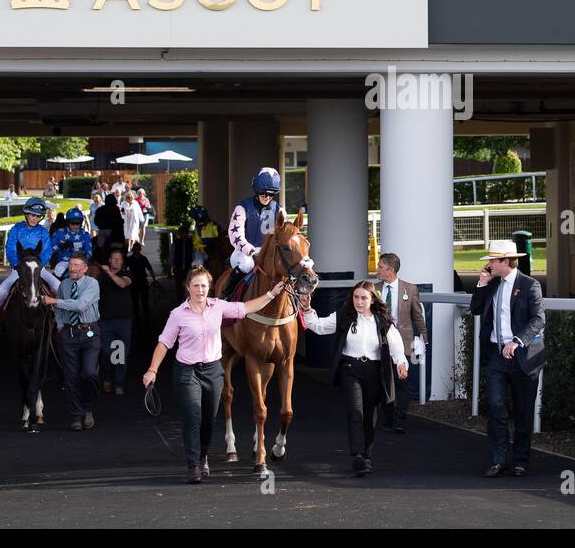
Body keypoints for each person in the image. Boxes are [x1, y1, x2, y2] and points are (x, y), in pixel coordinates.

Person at [144, 268, 289, 483]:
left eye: (203, 286)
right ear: (188, 288)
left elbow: (246, 308)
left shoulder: (218, 307)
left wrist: (272, 294)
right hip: (187, 371)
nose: (200, 290)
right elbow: (164, 343)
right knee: (193, 417)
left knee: (209, 421)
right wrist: (152, 370)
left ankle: (203, 456)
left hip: (212, 370)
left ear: (209, 288)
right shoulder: (178, 314)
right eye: (196, 286)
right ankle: (193, 466)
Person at [300, 281, 407, 476]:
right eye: (356, 297)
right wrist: (307, 308)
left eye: (364, 298)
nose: (359, 301)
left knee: (370, 415)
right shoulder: (344, 316)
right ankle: (357, 454)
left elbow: (396, 344)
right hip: (350, 369)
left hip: (374, 370)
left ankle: (367, 456)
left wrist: (401, 363)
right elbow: (317, 326)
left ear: (372, 299)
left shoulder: (382, 320)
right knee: (355, 411)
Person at [469, 240, 545, 478]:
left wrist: (517, 341)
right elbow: (476, 309)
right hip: (496, 357)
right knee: (495, 406)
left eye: (493, 260)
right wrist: (481, 284)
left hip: (524, 357)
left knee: (523, 412)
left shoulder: (530, 285)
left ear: (505, 261)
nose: (489, 264)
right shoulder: (492, 285)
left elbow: (538, 319)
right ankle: (498, 460)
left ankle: (521, 460)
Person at [43, 252, 101, 431]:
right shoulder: (64, 285)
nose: (73, 268)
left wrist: (54, 300)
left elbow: (80, 305)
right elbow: (58, 310)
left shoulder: (92, 283)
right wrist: (60, 325)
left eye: (76, 265)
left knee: (90, 373)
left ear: (85, 268)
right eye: (71, 265)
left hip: (90, 332)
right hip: (69, 334)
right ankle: (76, 415)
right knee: (71, 377)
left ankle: (88, 408)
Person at [0, 196, 62, 335]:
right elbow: (10, 248)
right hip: (19, 269)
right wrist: (17, 265)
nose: (34, 218)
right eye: (32, 215)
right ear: (26, 213)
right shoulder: (16, 229)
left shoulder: (43, 232)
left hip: (38, 268)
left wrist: (38, 266)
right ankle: (0, 321)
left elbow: (47, 250)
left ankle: (60, 321)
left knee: (58, 287)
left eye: (38, 216)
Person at [376, 252, 427, 433]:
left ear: (390, 270)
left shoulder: (409, 289)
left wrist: (422, 338)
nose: (378, 270)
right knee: (383, 379)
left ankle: (400, 419)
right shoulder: (374, 289)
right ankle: (388, 417)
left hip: (404, 340)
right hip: (380, 341)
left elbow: (417, 316)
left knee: (402, 380)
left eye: (381, 267)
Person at [218, 167, 286, 300]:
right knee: (247, 265)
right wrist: (251, 251)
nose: (267, 197)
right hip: (244, 253)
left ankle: (298, 304)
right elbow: (235, 235)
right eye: (263, 193)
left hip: (268, 254)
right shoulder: (242, 207)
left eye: (271, 194)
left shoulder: (279, 210)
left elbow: (286, 234)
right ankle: (226, 295)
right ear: (256, 190)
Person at [98, 248, 134, 395]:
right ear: (109, 260)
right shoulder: (101, 277)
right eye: (114, 259)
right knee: (107, 353)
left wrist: (110, 273)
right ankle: (107, 378)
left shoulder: (127, 274)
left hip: (123, 321)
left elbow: (122, 284)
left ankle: (118, 383)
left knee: (121, 354)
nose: (117, 261)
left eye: (119, 259)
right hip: (106, 321)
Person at [51, 207, 93, 279]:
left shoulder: (85, 235)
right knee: (59, 271)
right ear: (67, 222)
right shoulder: (59, 233)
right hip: (63, 263)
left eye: (78, 223)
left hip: (80, 263)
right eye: (72, 223)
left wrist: (82, 254)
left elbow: (89, 252)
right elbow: (51, 249)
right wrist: (61, 246)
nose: (75, 226)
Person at [126, 241, 158, 322]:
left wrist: (154, 279)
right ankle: (139, 319)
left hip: (142, 282)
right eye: (136, 249)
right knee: (136, 302)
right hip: (135, 282)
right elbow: (124, 270)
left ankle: (144, 318)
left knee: (143, 301)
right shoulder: (132, 259)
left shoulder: (139, 258)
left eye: (137, 249)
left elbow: (150, 269)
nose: (137, 250)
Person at [93, 191, 124, 258]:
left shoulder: (99, 210)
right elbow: (119, 221)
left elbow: (96, 221)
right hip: (114, 234)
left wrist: (101, 226)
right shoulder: (115, 209)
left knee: (99, 248)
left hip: (103, 231)